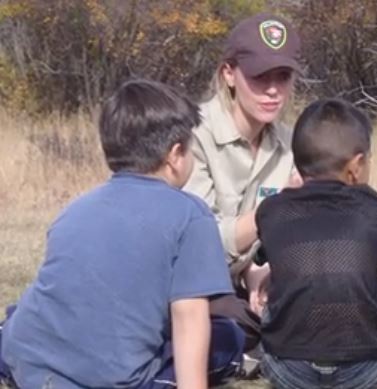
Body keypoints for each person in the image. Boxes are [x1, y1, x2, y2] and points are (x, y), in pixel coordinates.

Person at [0, 79, 245, 388]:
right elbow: (190, 318)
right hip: (110, 377)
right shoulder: (191, 215)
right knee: (228, 337)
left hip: (27, 358)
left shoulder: (75, 209)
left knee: (21, 317)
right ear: (175, 154)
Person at [255, 98, 377, 389]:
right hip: (366, 365)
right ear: (357, 165)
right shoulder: (372, 206)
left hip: (289, 367)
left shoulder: (271, 210)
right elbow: (375, 255)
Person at [183, 12, 302, 354]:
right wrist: (276, 208)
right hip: (191, 285)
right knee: (241, 326)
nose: (272, 90)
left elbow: (273, 245)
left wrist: (258, 275)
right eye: (259, 76)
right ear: (229, 75)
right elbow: (201, 245)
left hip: (238, 281)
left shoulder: (290, 144)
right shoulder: (193, 136)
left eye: (283, 76)